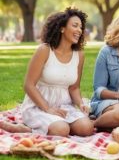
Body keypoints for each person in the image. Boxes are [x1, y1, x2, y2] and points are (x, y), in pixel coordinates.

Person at [0, 7, 94, 137]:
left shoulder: (79, 55)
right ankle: (26, 130)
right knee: (62, 129)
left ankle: (54, 127)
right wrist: (48, 108)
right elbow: (29, 85)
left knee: (87, 128)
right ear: (62, 28)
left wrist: (80, 104)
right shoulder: (44, 50)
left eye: (81, 27)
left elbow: (74, 87)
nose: (79, 30)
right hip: (38, 105)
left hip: (64, 106)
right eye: (75, 25)